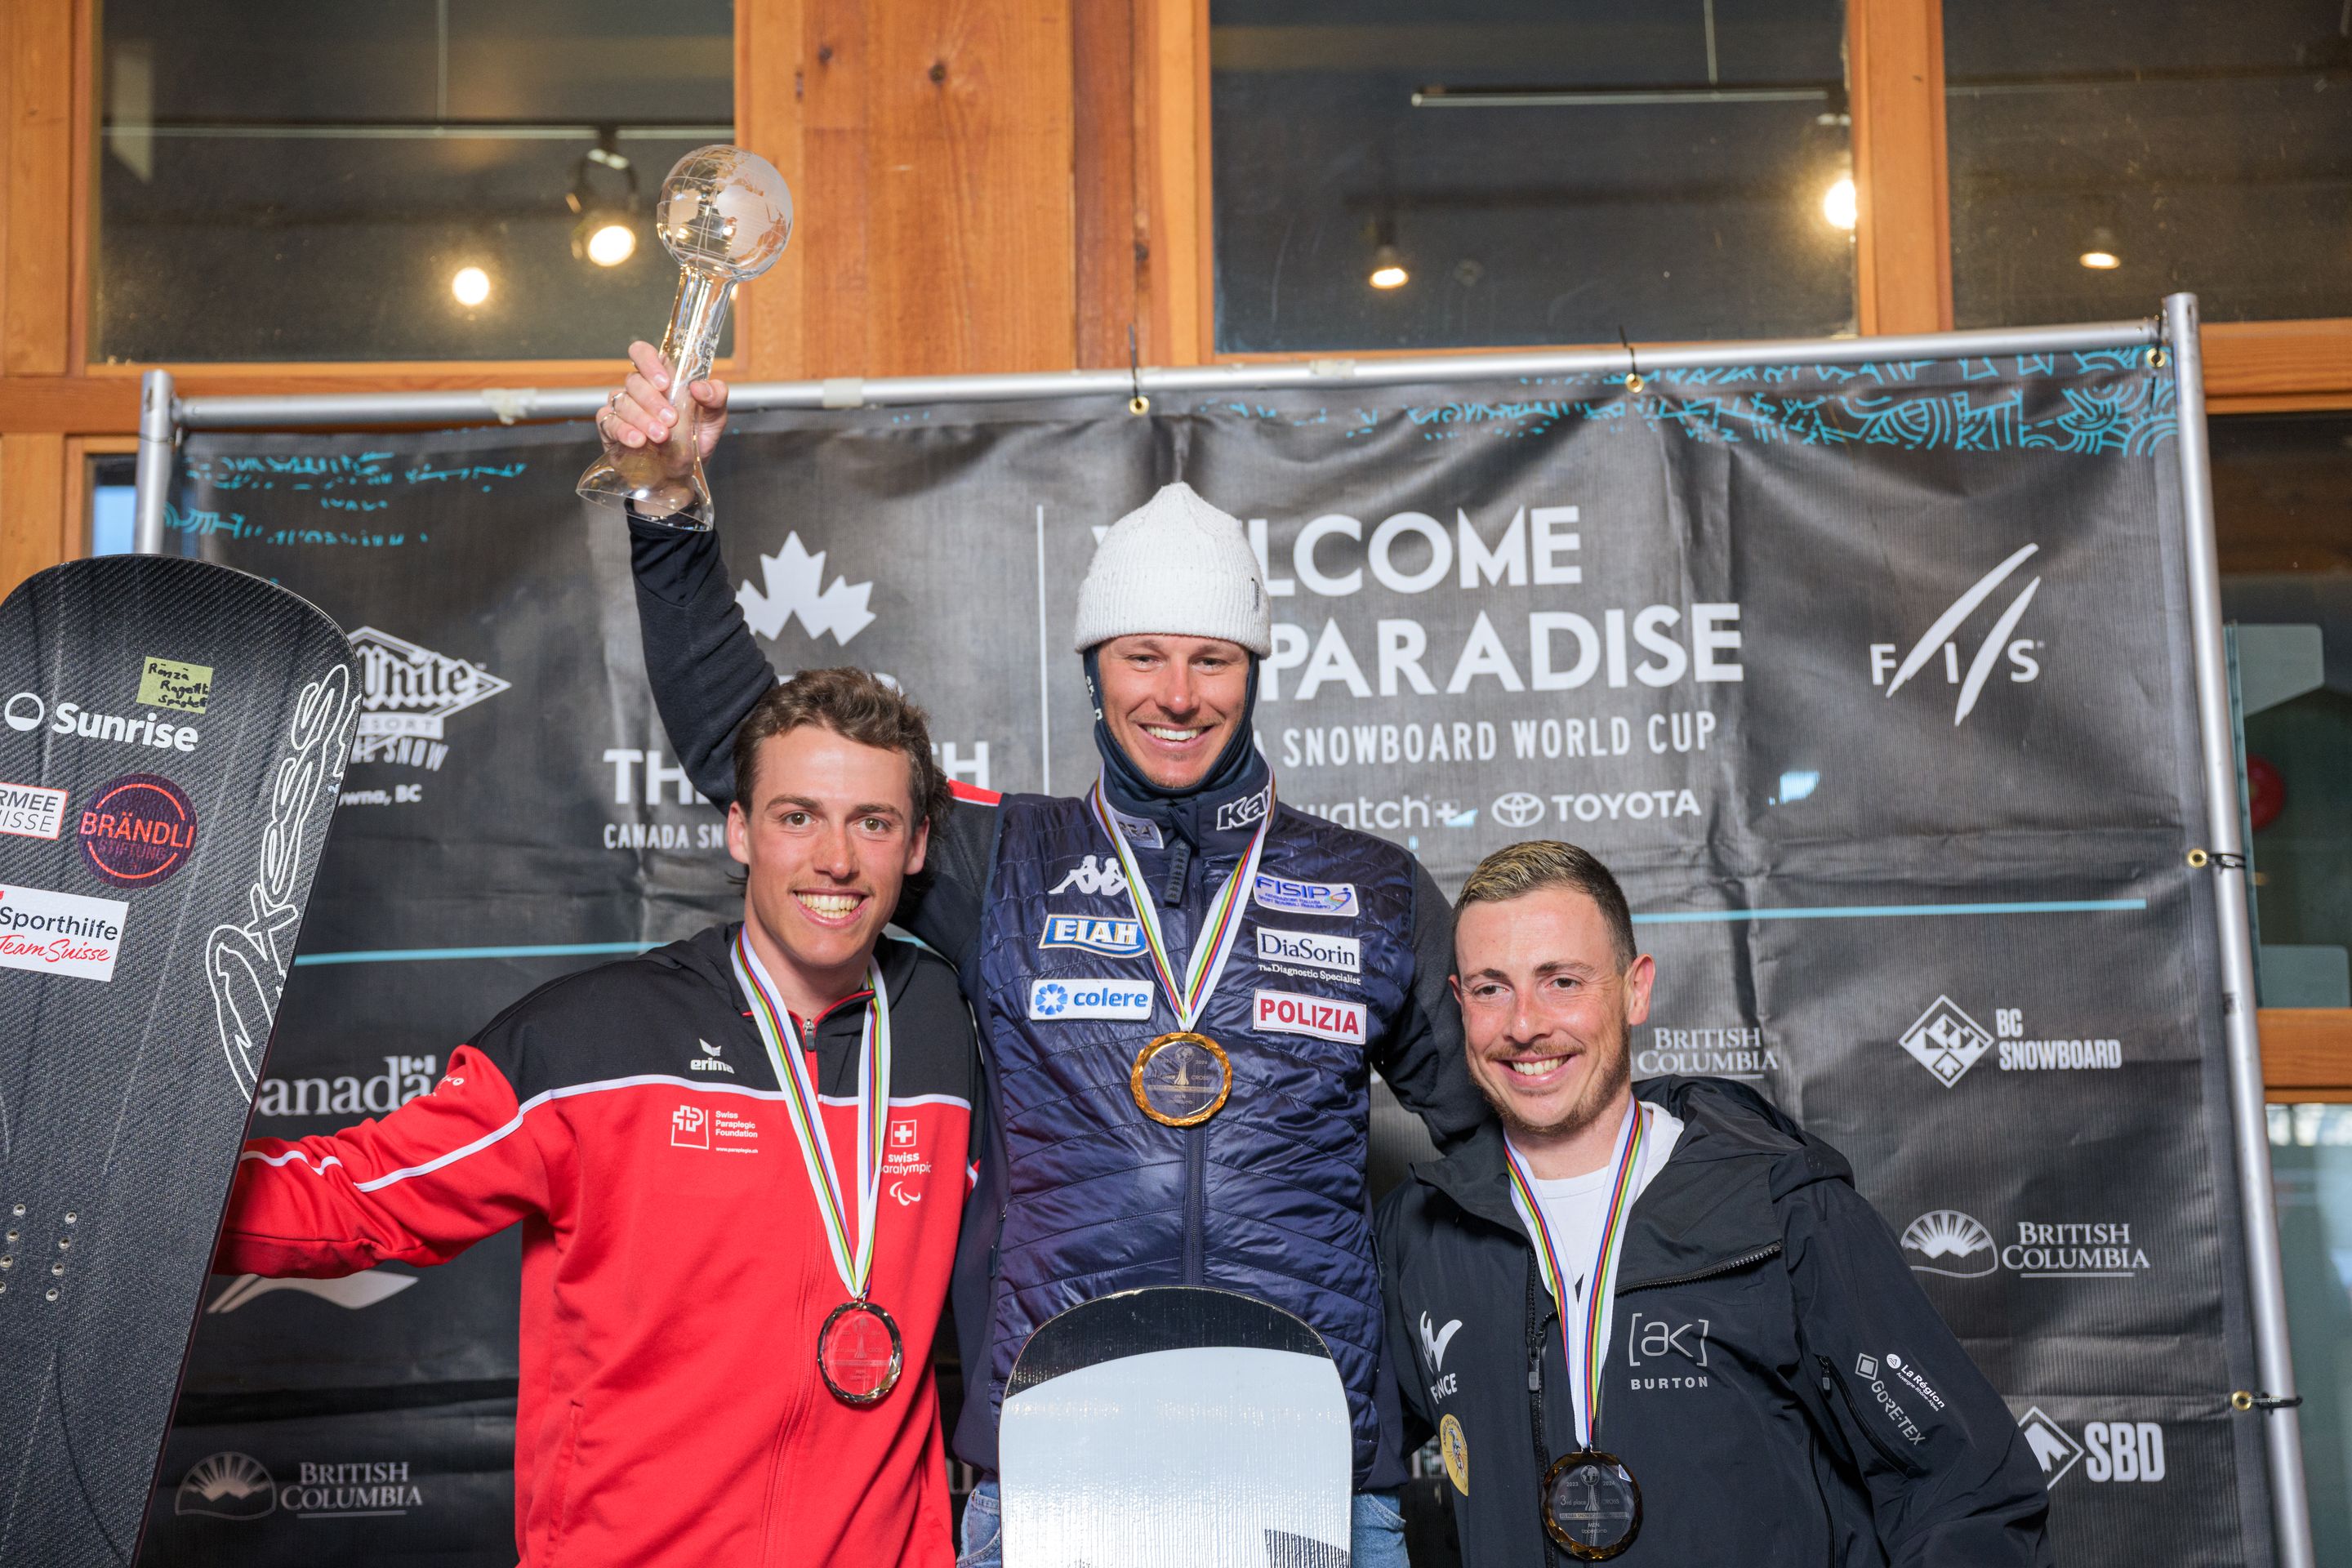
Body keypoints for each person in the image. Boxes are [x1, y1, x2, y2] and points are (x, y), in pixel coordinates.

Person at [600, 344, 1490, 1566]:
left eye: (1211, 657)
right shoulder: (1001, 860)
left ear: (1256, 670)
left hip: (1318, 1463)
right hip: (1059, 1453)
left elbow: (1504, 1144)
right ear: (1093, 670)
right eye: (1141, 655)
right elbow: (753, 756)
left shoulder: (1371, 888)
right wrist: (668, 512)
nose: (1176, 693)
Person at [214, 669, 980, 1567]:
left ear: (918, 844)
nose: (835, 860)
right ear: (740, 830)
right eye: (797, 815)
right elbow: (354, 1202)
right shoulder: (588, 1040)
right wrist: (127, 1197)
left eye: (873, 823)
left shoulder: (954, 1031)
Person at [1375, 839, 2051, 1565]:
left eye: (1562, 981)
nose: (1525, 1024)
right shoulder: (1422, 1233)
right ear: (1458, 1005)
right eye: (1490, 988)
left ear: (1636, 989)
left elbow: (1966, 1489)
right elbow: (1348, 1463)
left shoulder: (1782, 1207)